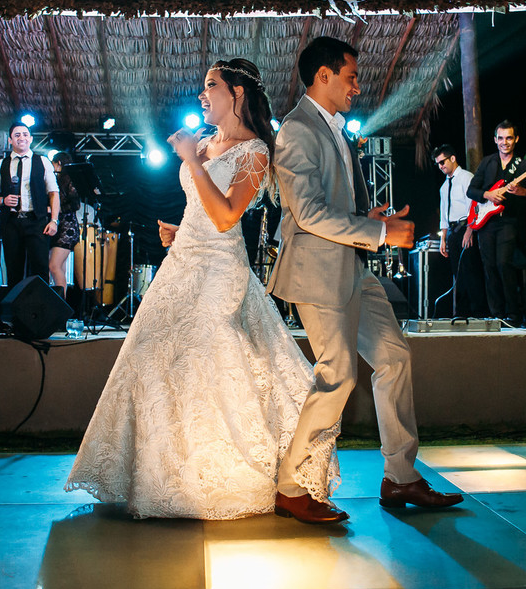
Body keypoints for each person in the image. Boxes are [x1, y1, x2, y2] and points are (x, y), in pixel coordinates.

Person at [66, 58, 333, 520]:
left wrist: (191, 159)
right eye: (202, 87)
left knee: (214, 363)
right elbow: (201, 206)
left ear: (238, 94)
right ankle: (166, 478)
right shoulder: (208, 143)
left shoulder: (254, 151)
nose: (202, 95)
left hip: (219, 270)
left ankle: (233, 478)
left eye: (211, 86)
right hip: (183, 262)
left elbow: (228, 216)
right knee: (157, 362)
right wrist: (179, 229)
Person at [268, 36, 462, 525]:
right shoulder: (296, 131)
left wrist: (365, 216)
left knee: (394, 356)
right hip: (318, 273)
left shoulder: (334, 128)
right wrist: (378, 231)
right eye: (351, 76)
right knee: (338, 376)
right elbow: (308, 212)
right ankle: (289, 486)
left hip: (351, 266)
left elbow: (330, 207)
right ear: (324, 76)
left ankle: (400, 476)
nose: (358, 86)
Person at [466, 120, 526, 326]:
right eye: (500, 138)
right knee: (489, 266)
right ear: (495, 140)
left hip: (510, 222)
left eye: (509, 138)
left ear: (516, 139)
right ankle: (496, 314)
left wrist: (523, 191)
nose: (504, 142)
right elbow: (471, 190)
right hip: (487, 223)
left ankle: (514, 313)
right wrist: (487, 194)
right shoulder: (487, 163)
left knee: (504, 264)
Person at [0, 123, 59, 303]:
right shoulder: (1, 164)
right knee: (13, 269)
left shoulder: (42, 162)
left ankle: (39, 314)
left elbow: (53, 193)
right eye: (17, 135)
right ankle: (15, 316)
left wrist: (54, 220)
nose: (22, 138)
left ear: (31, 139)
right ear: (10, 140)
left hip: (36, 221)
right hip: (11, 222)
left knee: (40, 268)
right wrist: (2, 200)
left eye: (25, 134)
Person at [433, 143, 488, 317]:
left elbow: (474, 205)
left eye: (443, 162)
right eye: (438, 164)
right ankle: (462, 313)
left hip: (466, 226)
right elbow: (444, 212)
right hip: (451, 231)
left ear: (453, 158)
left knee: (471, 270)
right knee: (458, 274)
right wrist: (443, 238)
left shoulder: (466, 177)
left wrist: (470, 230)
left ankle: (478, 312)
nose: (441, 166)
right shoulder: (444, 186)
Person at [48, 152, 82, 306]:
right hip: (60, 226)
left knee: (54, 266)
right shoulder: (56, 180)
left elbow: (75, 205)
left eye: (53, 164)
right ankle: (61, 307)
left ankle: (61, 307)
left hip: (67, 227)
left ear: (59, 163)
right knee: (58, 268)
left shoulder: (69, 180)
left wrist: (55, 209)